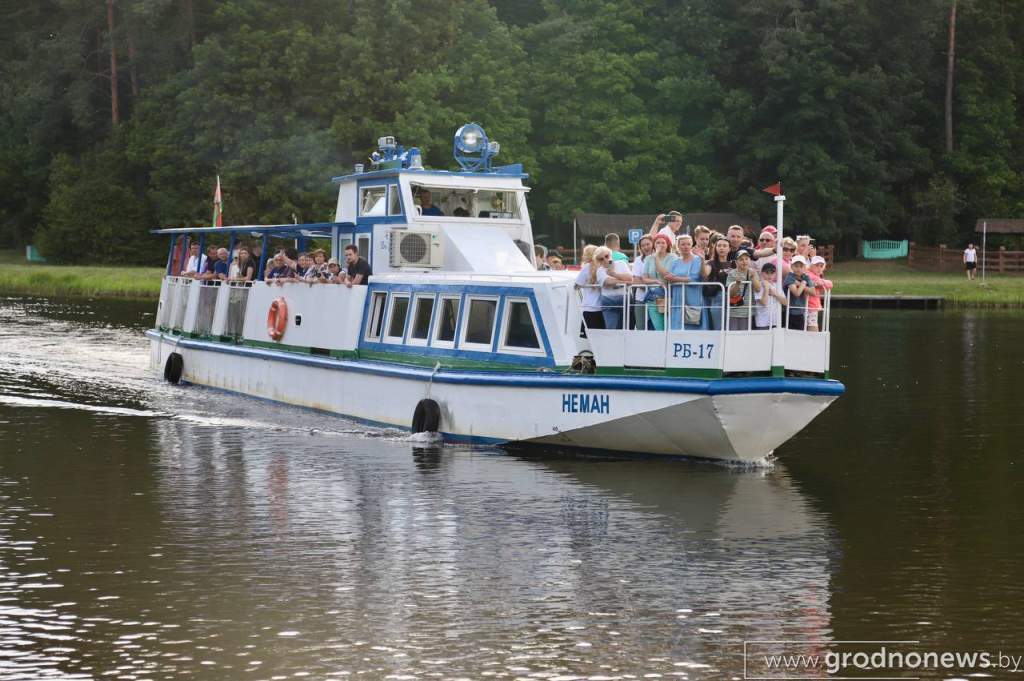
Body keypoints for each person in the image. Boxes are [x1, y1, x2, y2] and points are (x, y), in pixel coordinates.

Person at [666, 234, 704, 330]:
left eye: (688, 244)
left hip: (692, 296)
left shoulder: (697, 259)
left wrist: (675, 279)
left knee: (692, 323)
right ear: (678, 246)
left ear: (692, 245)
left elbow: (693, 278)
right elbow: (669, 276)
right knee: (677, 325)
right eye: (683, 244)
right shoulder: (676, 261)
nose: (686, 246)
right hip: (677, 296)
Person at [640, 233, 678, 330]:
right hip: (653, 297)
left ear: (667, 245)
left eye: (663, 243)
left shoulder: (673, 257)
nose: (660, 245)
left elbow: (666, 274)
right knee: (658, 328)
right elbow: (644, 278)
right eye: (658, 242)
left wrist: (656, 257)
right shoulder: (648, 258)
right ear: (654, 244)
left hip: (669, 296)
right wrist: (656, 281)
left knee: (669, 327)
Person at [596, 246, 633, 329]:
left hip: (626, 300)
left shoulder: (621, 263)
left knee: (628, 330)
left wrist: (613, 274)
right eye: (601, 259)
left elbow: (630, 278)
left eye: (606, 256)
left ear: (611, 254)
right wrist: (625, 282)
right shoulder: (600, 271)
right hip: (609, 302)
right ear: (598, 261)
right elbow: (608, 282)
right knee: (612, 330)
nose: (605, 260)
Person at [726, 247, 761, 330]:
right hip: (734, 312)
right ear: (736, 262)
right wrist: (737, 284)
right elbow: (730, 293)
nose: (744, 261)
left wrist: (753, 278)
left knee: (746, 336)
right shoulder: (732, 273)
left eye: (746, 259)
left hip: (748, 311)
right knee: (733, 335)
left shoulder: (753, 272)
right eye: (741, 259)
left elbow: (758, 289)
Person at [702, 237, 732, 330]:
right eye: (719, 246)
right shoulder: (711, 263)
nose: (721, 248)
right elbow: (705, 273)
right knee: (718, 328)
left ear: (729, 249)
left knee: (731, 328)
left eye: (724, 246)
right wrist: (701, 260)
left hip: (733, 297)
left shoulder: (734, 264)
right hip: (717, 298)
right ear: (715, 248)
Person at [574, 245, 603, 333]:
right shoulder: (602, 266)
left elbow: (577, 285)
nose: (583, 256)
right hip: (602, 307)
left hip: (589, 307)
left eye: (584, 254)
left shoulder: (587, 267)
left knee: (591, 337)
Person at [753, 262, 787, 330]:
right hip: (762, 322)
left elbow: (786, 302)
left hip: (775, 321)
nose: (770, 275)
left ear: (775, 274)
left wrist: (775, 294)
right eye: (767, 273)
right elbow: (764, 302)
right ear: (762, 273)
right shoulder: (758, 286)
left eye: (772, 273)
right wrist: (766, 288)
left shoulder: (777, 285)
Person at [783, 255, 813, 329]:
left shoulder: (805, 277)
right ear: (792, 266)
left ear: (805, 267)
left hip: (802, 311)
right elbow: (797, 293)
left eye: (801, 266)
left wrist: (800, 284)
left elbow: (813, 291)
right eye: (796, 266)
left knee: (800, 334)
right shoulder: (790, 277)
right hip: (790, 311)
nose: (798, 269)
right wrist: (803, 284)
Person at [631, 235, 654, 329]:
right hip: (641, 298)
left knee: (656, 327)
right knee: (641, 327)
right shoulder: (638, 260)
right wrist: (654, 283)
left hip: (658, 299)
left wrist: (644, 280)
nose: (645, 247)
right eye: (643, 246)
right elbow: (636, 281)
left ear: (653, 244)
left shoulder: (660, 258)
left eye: (648, 244)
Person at [806, 255, 833, 331]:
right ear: (811, 266)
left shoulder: (815, 276)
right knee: (813, 327)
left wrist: (822, 282)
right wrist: (821, 283)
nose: (819, 268)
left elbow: (830, 284)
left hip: (812, 306)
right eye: (816, 266)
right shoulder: (809, 274)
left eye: (821, 266)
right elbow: (821, 282)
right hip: (809, 306)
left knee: (812, 325)